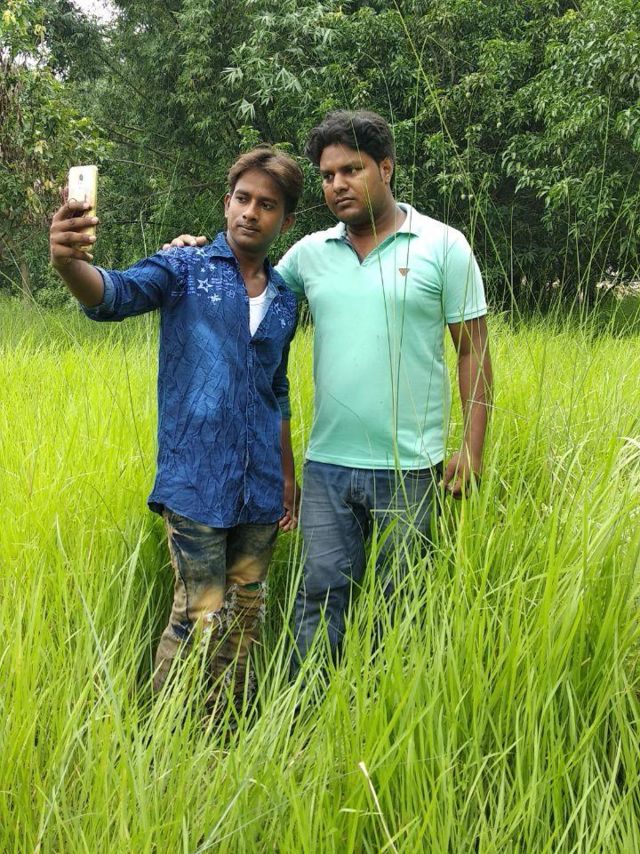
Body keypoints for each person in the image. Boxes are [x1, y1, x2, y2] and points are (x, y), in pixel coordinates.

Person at [167, 110, 493, 677]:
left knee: (403, 602)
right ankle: (306, 714)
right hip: (326, 469)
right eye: (326, 175)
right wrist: (192, 253)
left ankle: (391, 706)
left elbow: (474, 352)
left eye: (351, 169)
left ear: (386, 168)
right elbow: (247, 278)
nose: (337, 184)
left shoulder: (444, 246)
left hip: (412, 467)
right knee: (318, 599)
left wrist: (470, 445)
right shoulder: (309, 255)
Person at [49, 146, 304, 717]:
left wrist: (287, 476)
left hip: (260, 487)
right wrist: (68, 264)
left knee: (247, 612)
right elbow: (114, 294)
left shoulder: (286, 299)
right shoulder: (184, 268)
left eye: (267, 205)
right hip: (195, 483)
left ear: (285, 221)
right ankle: (164, 734)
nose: (251, 213)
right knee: (199, 613)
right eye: (243, 199)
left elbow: (277, 388)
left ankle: (228, 728)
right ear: (226, 202)